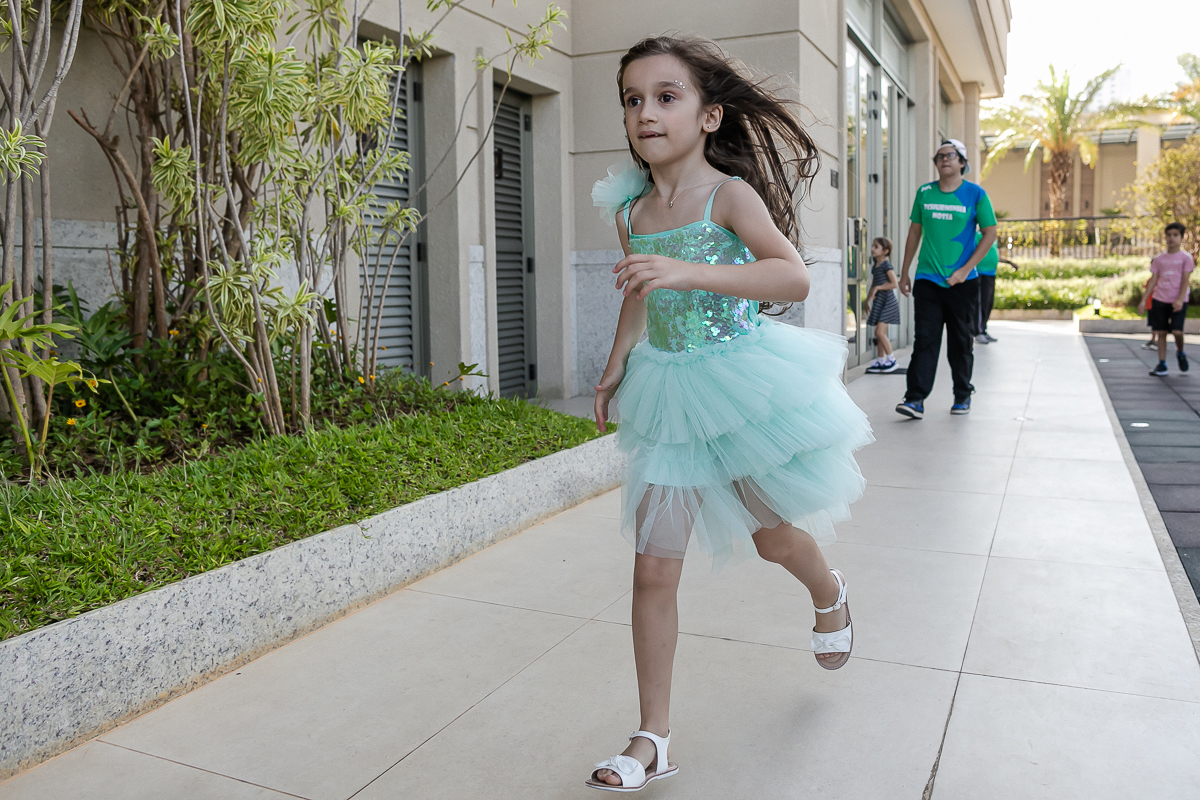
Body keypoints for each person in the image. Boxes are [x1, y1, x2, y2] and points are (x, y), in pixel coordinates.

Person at [587, 35, 873, 792]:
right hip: (668, 393)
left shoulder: (728, 197)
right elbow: (640, 290)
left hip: (740, 388)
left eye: (665, 96)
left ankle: (828, 591)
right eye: (632, 99)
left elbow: (790, 278)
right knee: (653, 567)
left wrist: (688, 267)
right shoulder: (632, 208)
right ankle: (653, 737)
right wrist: (618, 360)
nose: (645, 112)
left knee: (775, 538)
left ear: (710, 116)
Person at [895, 139, 998, 418]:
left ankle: (962, 394)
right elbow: (914, 233)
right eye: (939, 156)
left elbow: (990, 232)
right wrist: (905, 272)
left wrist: (966, 269)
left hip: (963, 281)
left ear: (962, 162)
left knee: (960, 341)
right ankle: (915, 399)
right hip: (928, 278)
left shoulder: (975, 194)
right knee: (925, 339)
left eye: (950, 155)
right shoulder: (925, 193)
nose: (944, 160)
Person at [1138, 222, 1194, 376]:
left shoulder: (1186, 258)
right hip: (1160, 300)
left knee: (1177, 332)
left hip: (1178, 301)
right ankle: (1162, 364)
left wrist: (1180, 299)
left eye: (1175, 235)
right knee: (1161, 332)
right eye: (1169, 235)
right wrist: (1144, 300)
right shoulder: (1159, 259)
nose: (1171, 238)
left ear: (1181, 237)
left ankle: (1180, 353)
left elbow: (1185, 281)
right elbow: (1153, 280)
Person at [865, 236, 901, 372]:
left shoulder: (886, 265)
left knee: (879, 332)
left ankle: (891, 359)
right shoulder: (876, 265)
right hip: (879, 301)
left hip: (888, 302)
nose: (872, 249)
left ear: (885, 251)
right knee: (880, 333)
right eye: (873, 246)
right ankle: (881, 360)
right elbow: (874, 283)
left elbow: (894, 284)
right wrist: (867, 300)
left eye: (876, 247)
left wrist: (878, 288)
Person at [974, 231, 1000, 344]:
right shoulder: (976, 235)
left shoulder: (992, 237)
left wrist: (1009, 262)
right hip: (980, 273)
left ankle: (983, 330)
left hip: (991, 274)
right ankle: (978, 332)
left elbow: (992, 253)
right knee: (980, 303)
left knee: (988, 303)